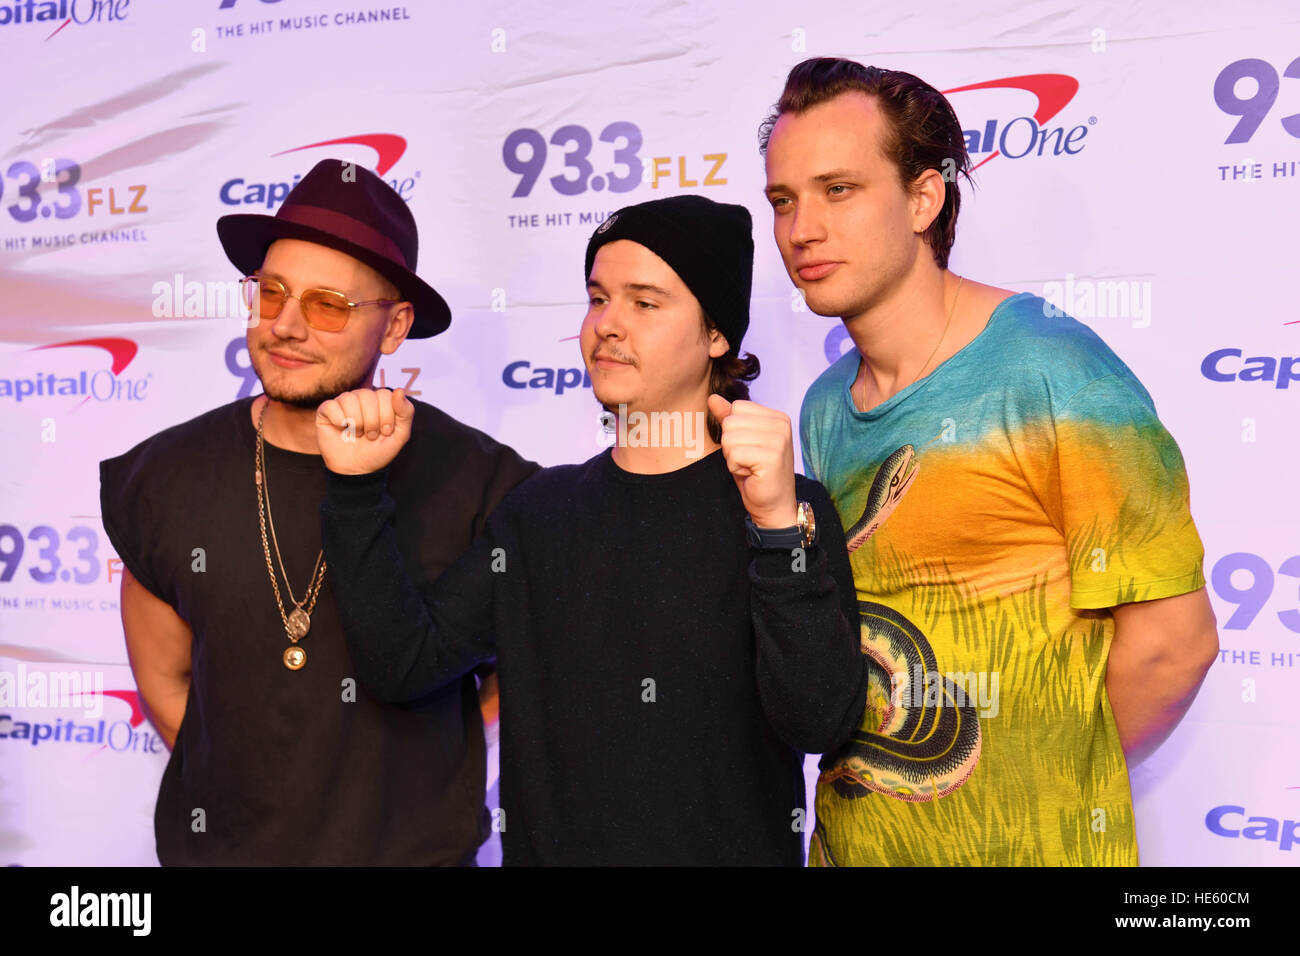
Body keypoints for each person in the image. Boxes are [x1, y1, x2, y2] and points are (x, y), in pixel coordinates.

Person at [759, 57, 1219, 866]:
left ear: (924, 198)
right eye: (784, 200)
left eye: (840, 190)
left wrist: (1045, 786)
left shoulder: (1053, 370)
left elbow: (1173, 645)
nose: (803, 229)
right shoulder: (826, 404)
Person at [317, 195, 868, 865]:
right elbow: (404, 665)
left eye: (645, 302)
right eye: (597, 298)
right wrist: (352, 488)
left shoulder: (788, 507)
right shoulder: (539, 512)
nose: (607, 325)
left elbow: (819, 721)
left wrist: (778, 527)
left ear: (717, 334)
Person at [99, 159, 537, 865]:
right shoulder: (164, 477)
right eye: (270, 294)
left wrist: (429, 776)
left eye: (328, 304)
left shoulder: (483, 483)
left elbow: (517, 673)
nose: (286, 326)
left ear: (394, 327)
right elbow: (165, 680)